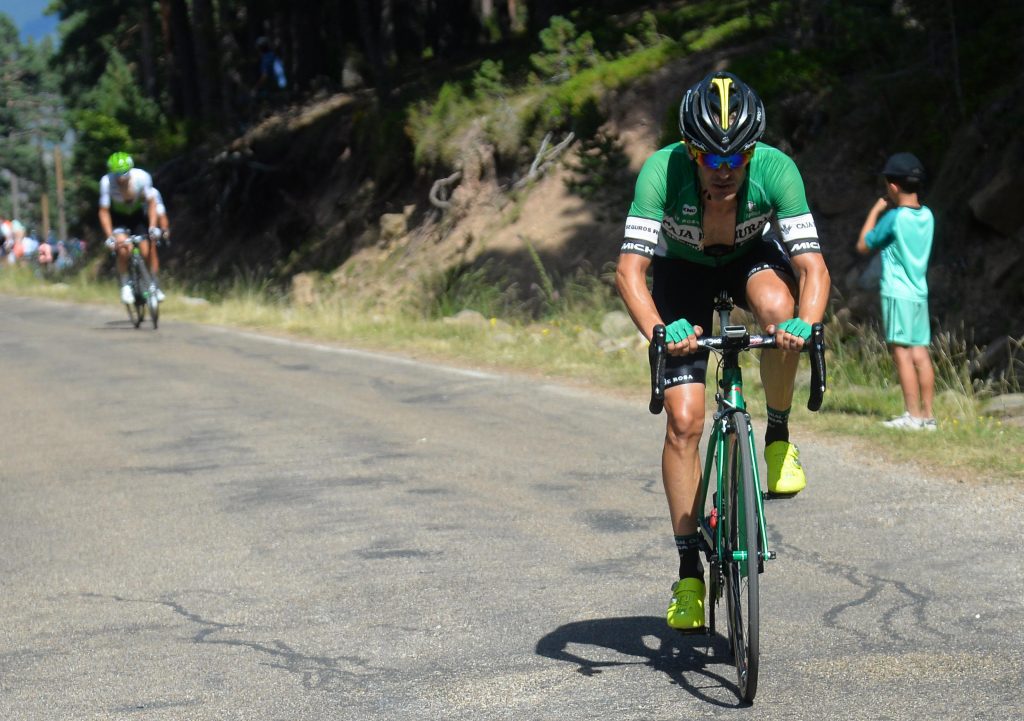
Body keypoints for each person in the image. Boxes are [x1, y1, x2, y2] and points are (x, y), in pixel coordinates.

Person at [616, 71, 831, 630]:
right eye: (712, 159)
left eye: (738, 157)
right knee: (684, 424)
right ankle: (689, 570)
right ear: (690, 152)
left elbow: (812, 267)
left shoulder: (778, 171)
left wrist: (805, 326)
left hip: (748, 260)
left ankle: (778, 436)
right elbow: (631, 272)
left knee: (780, 313)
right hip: (681, 276)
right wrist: (662, 331)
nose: (725, 170)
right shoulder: (660, 174)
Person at [856, 152, 936, 431]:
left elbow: (864, 244)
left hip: (897, 292)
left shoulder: (894, 218)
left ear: (893, 186)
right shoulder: (927, 215)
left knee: (902, 352)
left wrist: (875, 211)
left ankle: (912, 416)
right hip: (919, 292)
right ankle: (928, 416)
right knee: (921, 353)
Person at [97, 151, 165, 304]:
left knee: (147, 249)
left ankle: (153, 284)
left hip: (137, 216)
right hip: (118, 218)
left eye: (124, 174)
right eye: (117, 174)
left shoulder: (142, 177)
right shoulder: (106, 182)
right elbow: (104, 211)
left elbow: (152, 203)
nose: (121, 178)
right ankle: (125, 284)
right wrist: (109, 237)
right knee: (123, 249)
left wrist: (153, 227)